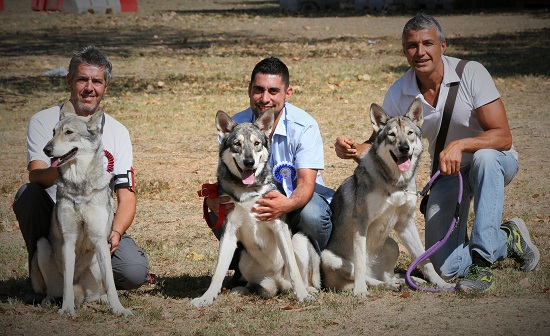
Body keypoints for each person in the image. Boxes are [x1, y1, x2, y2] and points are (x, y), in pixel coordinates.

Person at [334, 13, 540, 293]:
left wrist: (461, 145)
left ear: (442, 45)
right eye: (412, 46)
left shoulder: (471, 73)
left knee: (484, 159)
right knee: (446, 267)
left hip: (493, 163)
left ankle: (481, 262)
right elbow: (379, 143)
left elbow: (503, 137)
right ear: (405, 51)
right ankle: (506, 237)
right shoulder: (399, 91)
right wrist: (351, 149)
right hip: (448, 174)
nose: (420, 52)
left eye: (427, 43)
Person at [13, 45, 153, 302]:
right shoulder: (44, 121)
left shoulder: (118, 131)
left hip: (97, 223)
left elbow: (127, 195)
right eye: (82, 79)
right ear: (69, 81)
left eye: (96, 81)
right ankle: (44, 275)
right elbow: (36, 176)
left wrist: (117, 233)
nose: (89, 88)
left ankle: (89, 283)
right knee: (28, 195)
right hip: (56, 218)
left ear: (105, 86)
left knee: (133, 273)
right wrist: (65, 161)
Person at [205, 57, 334, 285]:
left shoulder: (305, 126)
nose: (265, 98)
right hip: (256, 201)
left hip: (299, 202)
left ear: (288, 93)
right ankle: (248, 269)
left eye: (273, 91)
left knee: (312, 214)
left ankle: (311, 269)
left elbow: (306, 183)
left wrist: (286, 204)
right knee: (219, 208)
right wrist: (213, 199)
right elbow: (226, 176)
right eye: (258, 90)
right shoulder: (234, 126)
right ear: (249, 90)